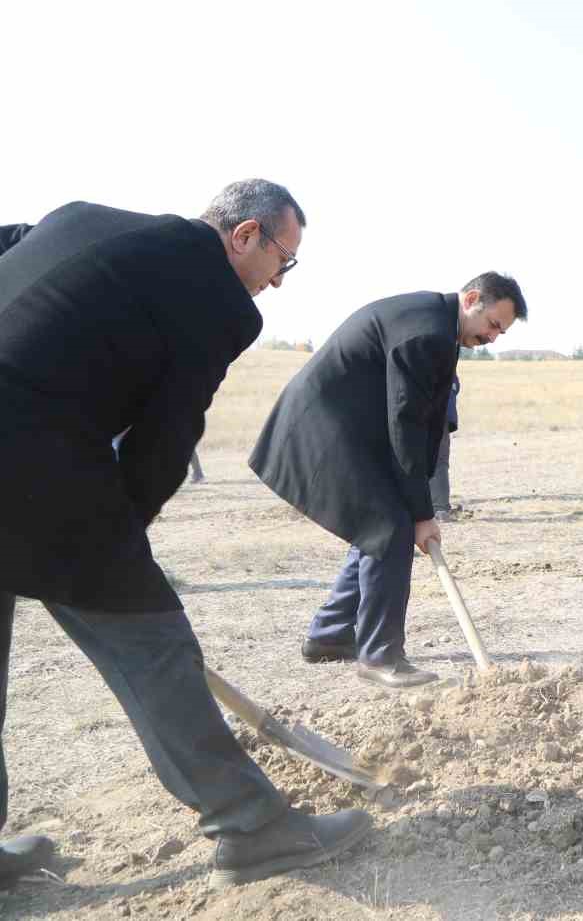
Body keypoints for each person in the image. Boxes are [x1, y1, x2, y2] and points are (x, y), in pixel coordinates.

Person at [0, 181, 370, 887]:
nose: (277, 284)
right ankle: (253, 826)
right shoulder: (217, 298)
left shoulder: (80, 218)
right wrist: (119, 547)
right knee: (153, 643)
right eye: (283, 263)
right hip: (28, 460)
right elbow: (165, 443)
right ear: (245, 235)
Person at [251, 273, 527, 688]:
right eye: (492, 325)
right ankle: (380, 656)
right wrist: (421, 513)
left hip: (347, 428)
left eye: (500, 332)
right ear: (471, 299)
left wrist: (422, 503)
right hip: (323, 429)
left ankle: (330, 635)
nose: (493, 337)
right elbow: (406, 424)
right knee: (390, 525)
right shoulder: (426, 332)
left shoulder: (438, 326)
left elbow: (425, 419)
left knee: (379, 525)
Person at [430, 375, 461, 519]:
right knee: (439, 460)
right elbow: (455, 385)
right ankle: (440, 507)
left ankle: (439, 508)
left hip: (429, 412)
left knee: (436, 460)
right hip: (441, 414)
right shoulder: (446, 359)